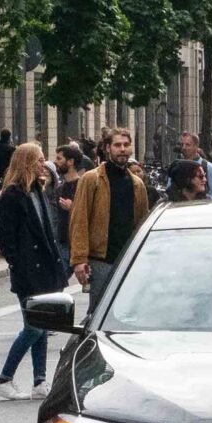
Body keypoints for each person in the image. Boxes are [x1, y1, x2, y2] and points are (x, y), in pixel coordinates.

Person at [0, 142, 70, 399]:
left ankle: (40, 381)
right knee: (34, 327)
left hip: (45, 268)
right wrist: (17, 263)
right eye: (38, 160)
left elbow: (48, 229)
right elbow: (7, 238)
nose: (43, 164)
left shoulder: (39, 190)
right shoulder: (13, 195)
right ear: (26, 162)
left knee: (43, 323)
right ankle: (4, 378)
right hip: (28, 270)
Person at [70, 128, 151, 302]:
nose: (122, 149)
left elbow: (142, 223)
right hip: (101, 260)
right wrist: (79, 259)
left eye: (126, 145)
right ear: (107, 148)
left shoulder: (137, 184)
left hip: (128, 260)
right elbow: (79, 220)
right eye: (117, 145)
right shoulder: (92, 179)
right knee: (99, 310)